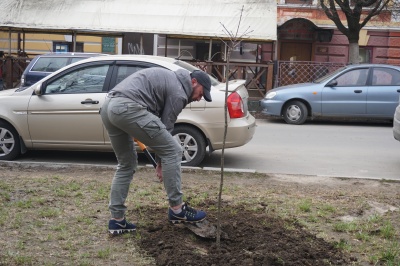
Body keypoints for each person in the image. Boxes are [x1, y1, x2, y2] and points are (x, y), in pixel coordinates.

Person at [100, 67, 212, 236]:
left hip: (110, 107)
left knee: (126, 164)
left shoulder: (171, 79)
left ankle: (117, 221)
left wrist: (161, 162)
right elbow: (166, 128)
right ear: (194, 82)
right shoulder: (180, 92)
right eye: (201, 93)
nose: (199, 98)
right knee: (174, 151)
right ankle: (177, 209)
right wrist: (162, 162)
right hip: (128, 107)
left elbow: (157, 128)